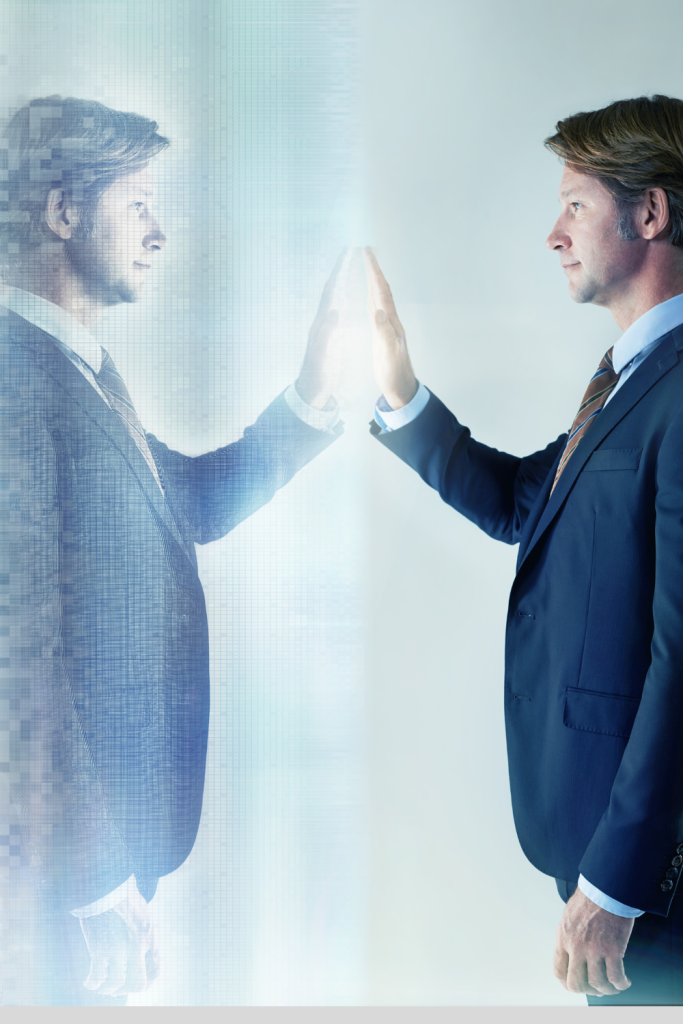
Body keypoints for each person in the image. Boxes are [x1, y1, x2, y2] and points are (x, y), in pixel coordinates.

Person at [0, 96, 345, 1005]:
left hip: (89, 862)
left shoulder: (78, 366)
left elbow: (176, 504)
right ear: (63, 213)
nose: (159, 233)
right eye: (138, 203)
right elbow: (12, 657)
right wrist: (90, 873)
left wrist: (311, 396)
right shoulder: (12, 377)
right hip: (53, 879)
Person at [364, 94, 683, 1006]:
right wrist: (401, 392)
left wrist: (618, 882)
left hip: (650, 879)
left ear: (649, 213)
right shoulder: (625, 382)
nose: (553, 234)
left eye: (575, 204)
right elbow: (520, 504)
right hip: (604, 853)